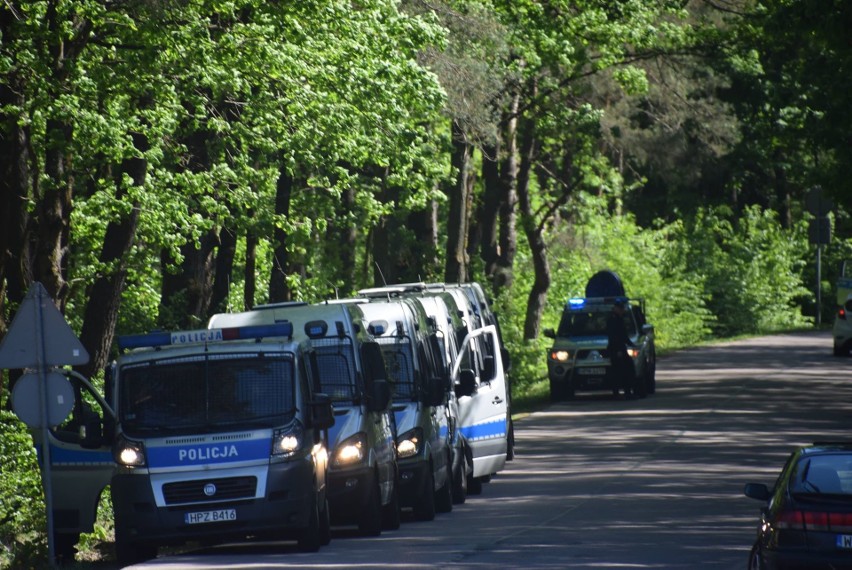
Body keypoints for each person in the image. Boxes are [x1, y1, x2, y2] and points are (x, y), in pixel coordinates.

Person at [607, 299, 637, 399]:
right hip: (616, 349)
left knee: (626, 370)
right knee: (621, 371)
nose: (622, 310)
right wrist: (618, 350)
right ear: (616, 308)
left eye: (622, 308)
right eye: (621, 308)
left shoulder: (619, 318)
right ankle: (620, 393)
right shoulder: (613, 320)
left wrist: (631, 344)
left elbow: (623, 335)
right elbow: (614, 336)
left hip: (620, 348)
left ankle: (626, 392)